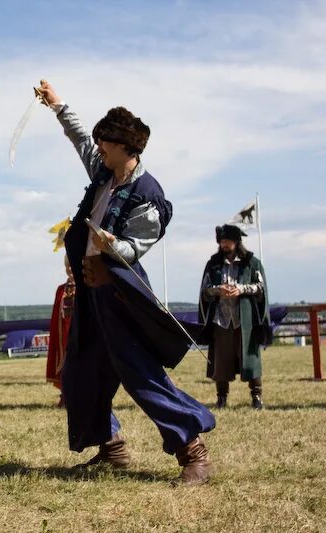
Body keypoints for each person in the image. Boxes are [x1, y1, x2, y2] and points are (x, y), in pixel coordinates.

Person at [37, 80, 216, 485]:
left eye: (105, 141)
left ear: (125, 147)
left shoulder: (148, 192)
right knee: (81, 373)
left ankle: (193, 451)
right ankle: (112, 448)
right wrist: (57, 104)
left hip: (120, 292)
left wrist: (112, 251)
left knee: (138, 372)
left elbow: (139, 244)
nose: (98, 146)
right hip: (90, 292)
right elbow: (81, 138)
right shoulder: (104, 172)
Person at [199, 224, 270, 409]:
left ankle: (257, 397)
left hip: (245, 320)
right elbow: (204, 291)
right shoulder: (213, 264)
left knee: (250, 358)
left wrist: (241, 289)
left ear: (236, 242)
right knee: (221, 361)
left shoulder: (252, 263)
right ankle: (221, 398)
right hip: (221, 320)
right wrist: (217, 290)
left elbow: (260, 287)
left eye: (227, 241)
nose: (224, 244)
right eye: (222, 241)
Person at [45, 254, 75, 407]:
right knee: (66, 366)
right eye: (67, 266)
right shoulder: (61, 289)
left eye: (72, 265)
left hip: (81, 334)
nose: (70, 269)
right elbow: (57, 314)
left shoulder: (87, 287)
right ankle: (66, 396)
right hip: (64, 335)